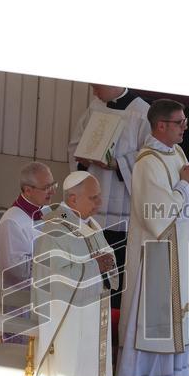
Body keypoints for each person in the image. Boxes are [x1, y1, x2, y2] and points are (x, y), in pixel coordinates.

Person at [116, 99, 189, 376]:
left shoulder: (175, 152)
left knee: (171, 320)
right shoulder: (147, 162)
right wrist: (184, 184)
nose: (185, 128)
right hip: (155, 254)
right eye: (179, 123)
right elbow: (157, 214)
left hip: (177, 247)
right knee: (153, 321)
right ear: (161, 125)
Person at [31, 171, 118, 376]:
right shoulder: (54, 232)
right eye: (93, 197)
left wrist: (103, 265)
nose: (99, 203)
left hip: (91, 316)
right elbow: (57, 281)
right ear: (72, 199)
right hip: (67, 322)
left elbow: (105, 259)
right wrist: (96, 266)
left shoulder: (89, 225)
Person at [68, 85, 151, 307]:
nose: (94, 93)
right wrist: (82, 158)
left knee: (117, 263)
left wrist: (118, 164)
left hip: (120, 205)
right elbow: (75, 144)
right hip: (92, 196)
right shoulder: (95, 107)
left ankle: (113, 317)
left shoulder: (141, 112)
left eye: (97, 87)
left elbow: (149, 156)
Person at [0, 161, 57, 289]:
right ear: (28, 190)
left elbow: (63, 217)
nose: (53, 192)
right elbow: (18, 272)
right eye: (47, 188)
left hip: (42, 284)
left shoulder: (43, 209)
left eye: (53, 186)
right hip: (20, 298)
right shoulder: (12, 223)